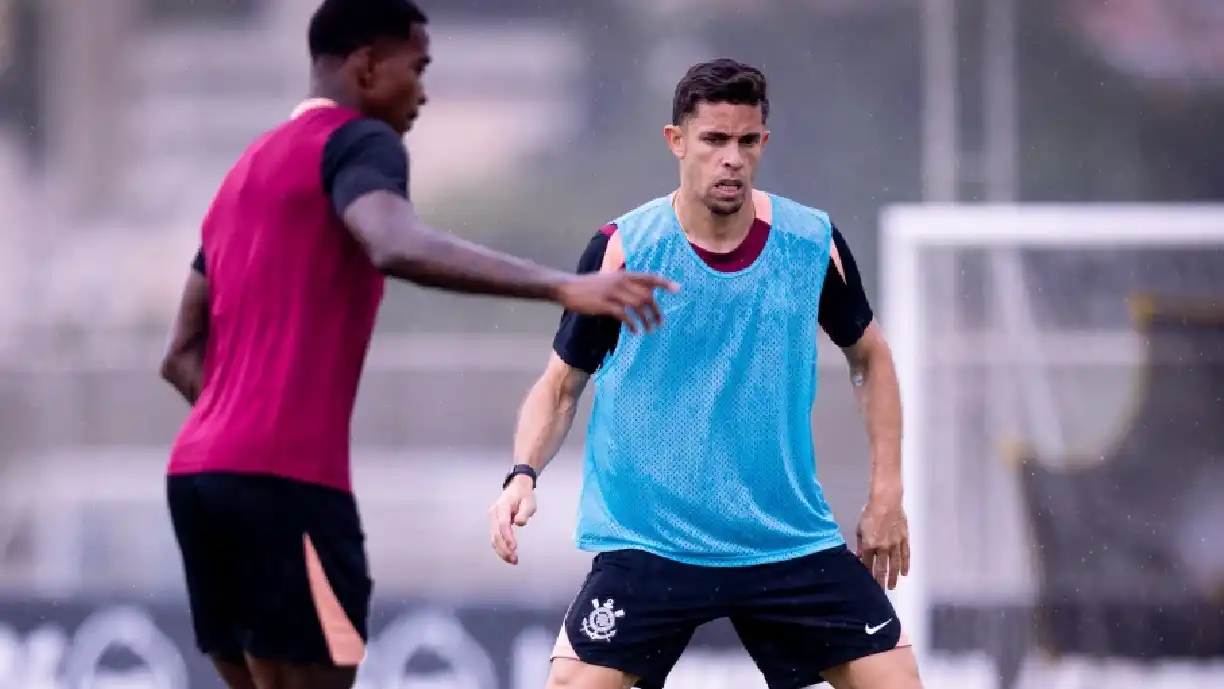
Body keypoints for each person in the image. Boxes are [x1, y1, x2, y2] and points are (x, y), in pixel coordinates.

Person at [157, 2, 676, 689]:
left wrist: (231, 435)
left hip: (199, 480)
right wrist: (560, 286)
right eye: (418, 67)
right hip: (287, 485)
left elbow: (178, 352)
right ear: (368, 65)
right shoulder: (359, 141)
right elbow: (392, 242)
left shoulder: (245, 171)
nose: (424, 91)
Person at [488, 58, 921, 689]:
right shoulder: (622, 251)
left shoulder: (811, 243)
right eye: (715, 140)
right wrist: (522, 473)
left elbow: (871, 359)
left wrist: (887, 494)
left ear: (763, 144)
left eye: (747, 142)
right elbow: (561, 385)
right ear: (677, 141)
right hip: (651, 540)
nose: (732, 159)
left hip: (784, 538)